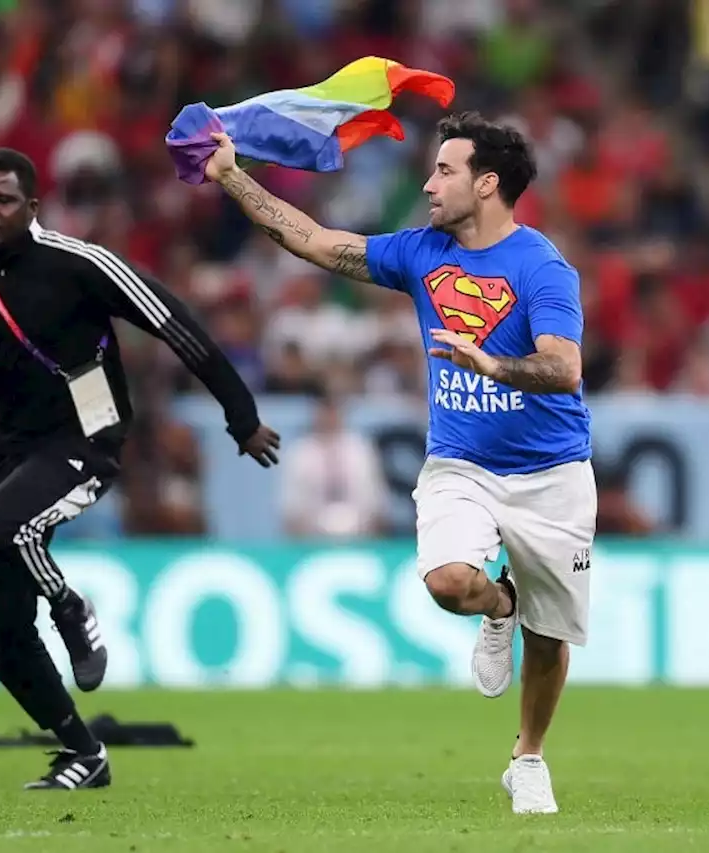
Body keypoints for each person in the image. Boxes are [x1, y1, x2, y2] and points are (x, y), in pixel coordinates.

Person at [202, 112, 595, 815]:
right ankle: (499, 603)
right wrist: (233, 176)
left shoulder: (543, 267)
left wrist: (493, 363)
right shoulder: (418, 252)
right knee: (449, 581)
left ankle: (528, 756)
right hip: (461, 463)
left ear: (488, 183)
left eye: (444, 170)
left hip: (551, 471)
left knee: (553, 633)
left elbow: (565, 369)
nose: (428, 182)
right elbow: (316, 242)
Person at [0, 148, 280, 791]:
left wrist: (240, 416)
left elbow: (176, 326)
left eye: (2, 200)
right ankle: (84, 752)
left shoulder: (82, 264)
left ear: (33, 208)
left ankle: (73, 609)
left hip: (84, 440)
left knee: (0, 533)